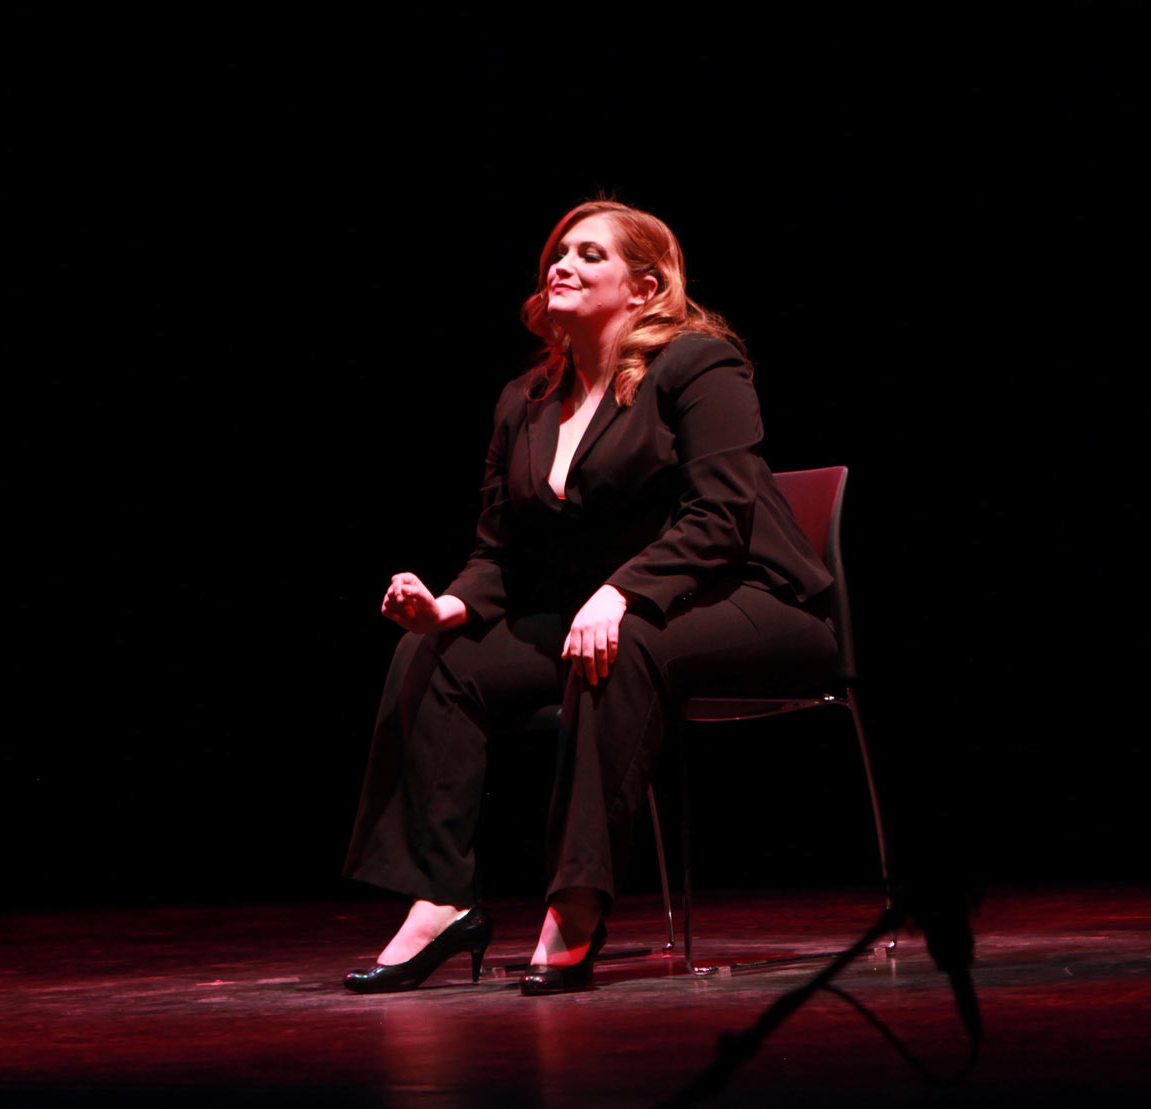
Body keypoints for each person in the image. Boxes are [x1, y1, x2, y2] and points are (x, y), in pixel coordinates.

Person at [342, 200, 837, 995]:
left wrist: (622, 591)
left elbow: (720, 514)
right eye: (558, 252)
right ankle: (438, 899)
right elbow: (499, 552)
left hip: (755, 602)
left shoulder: (698, 365)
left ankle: (574, 903)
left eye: (589, 254)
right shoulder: (526, 398)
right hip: (610, 615)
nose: (562, 264)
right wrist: (446, 608)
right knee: (436, 656)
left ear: (644, 287)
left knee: (618, 643)